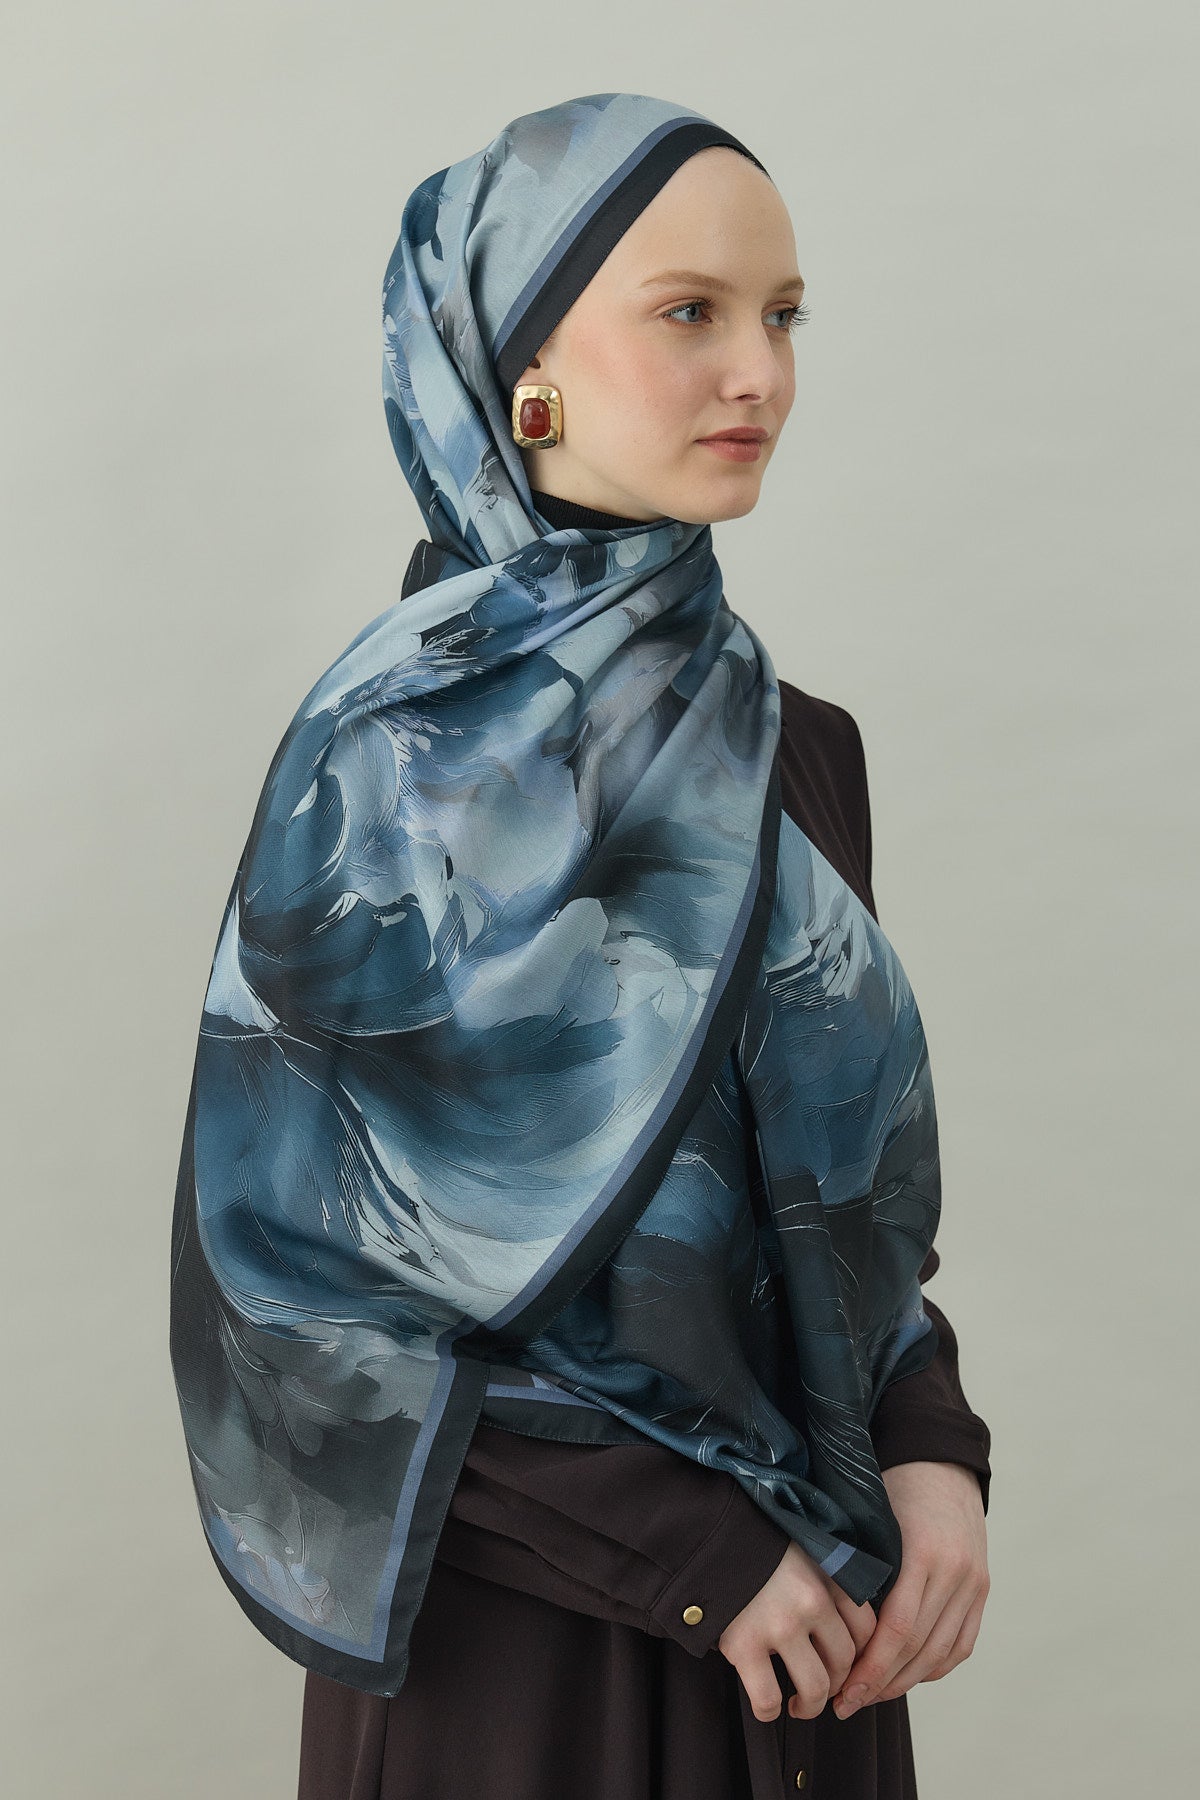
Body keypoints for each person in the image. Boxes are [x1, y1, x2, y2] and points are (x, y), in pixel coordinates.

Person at [170, 94, 992, 1800]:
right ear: (515, 356)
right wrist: (694, 1554)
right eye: (690, 312)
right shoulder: (386, 776)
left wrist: (931, 1450)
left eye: (784, 316)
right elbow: (298, 1317)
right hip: (526, 1668)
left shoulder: (803, 751)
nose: (759, 375)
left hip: (813, 1652)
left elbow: (833, 1212)